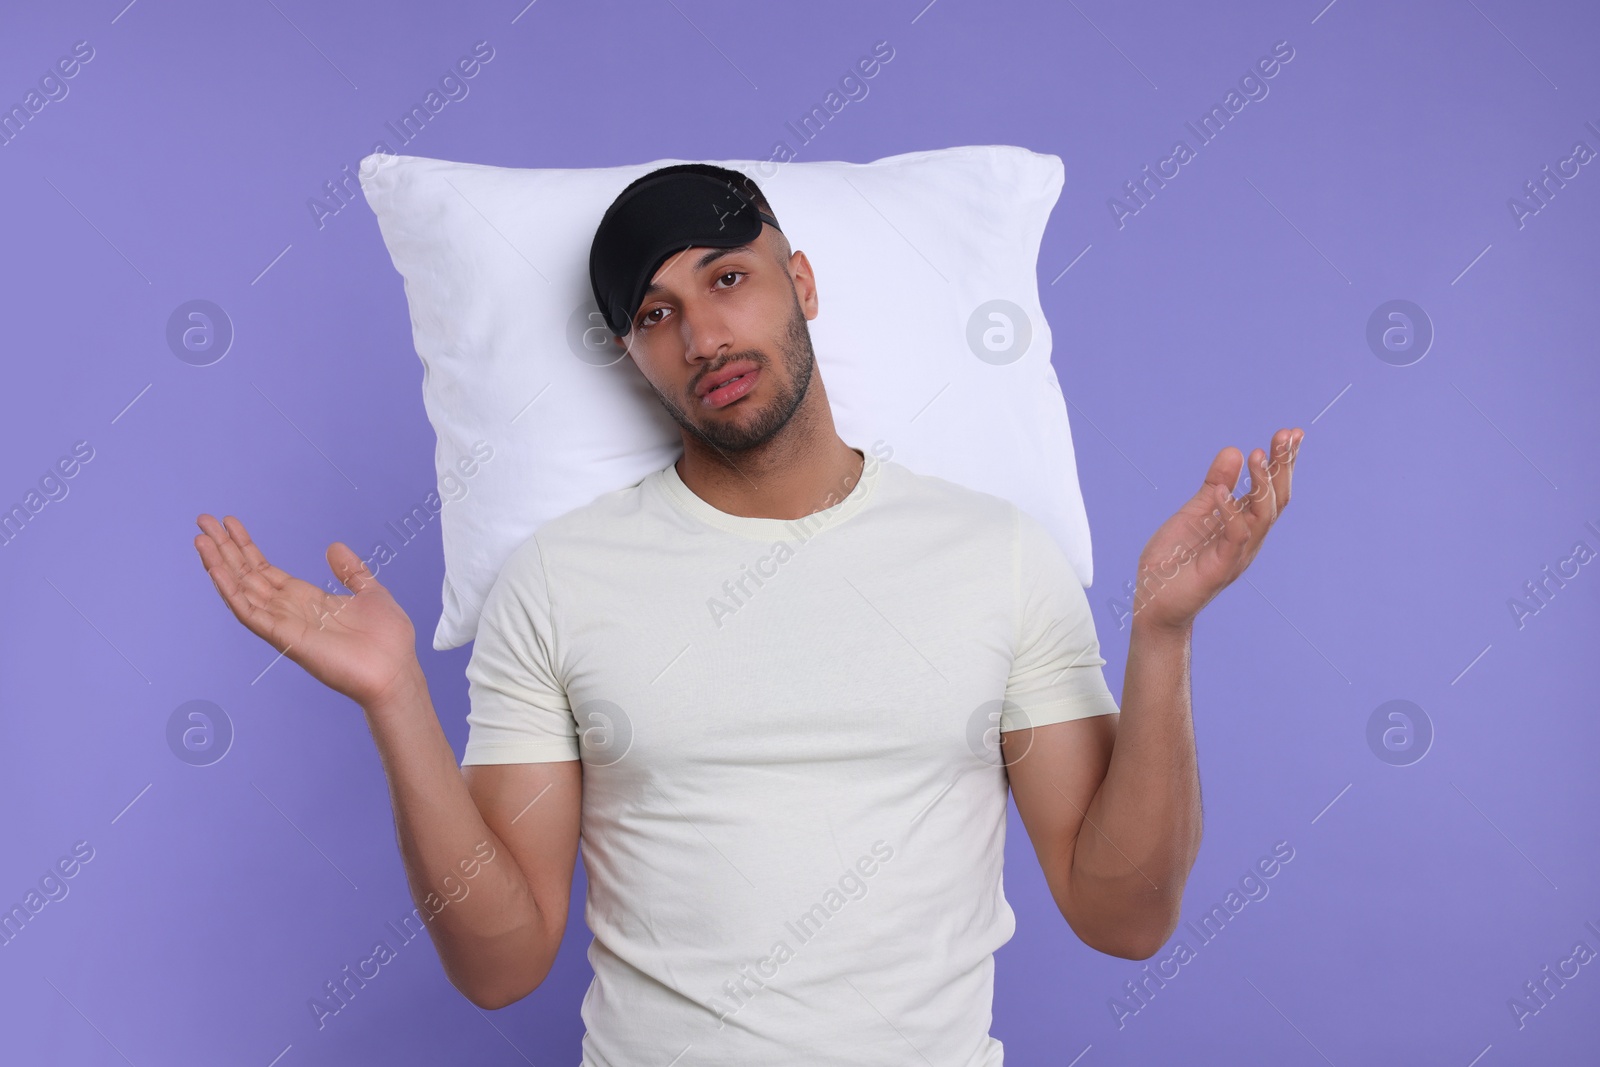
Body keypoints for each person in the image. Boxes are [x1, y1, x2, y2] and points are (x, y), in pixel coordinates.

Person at [193, 163, 1303, 1065]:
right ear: (632, 354)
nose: (703, 336)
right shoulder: (558, 581)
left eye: (729, 279)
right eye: (656, 312)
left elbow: (1125, 916)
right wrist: (395, 699)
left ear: (802, 281)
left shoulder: (996, 555)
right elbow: (501, 963)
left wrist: (1160, 637)